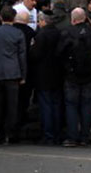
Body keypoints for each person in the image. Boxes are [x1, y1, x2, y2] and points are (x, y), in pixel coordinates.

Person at [57, 7, 91, 146]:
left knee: (71, 105)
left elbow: (59, 52)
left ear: (73, 19)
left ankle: (72, 136)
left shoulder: (67, 33)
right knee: (86, 105)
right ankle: (84, 136)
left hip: (72, 74)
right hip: (90, 74)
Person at [0, 4, 27, 145]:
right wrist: (23, 75)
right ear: (14, 18)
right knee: (12, 106)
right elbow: (22, 56)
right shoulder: (18, 34)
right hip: (13, 73)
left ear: (1, 17)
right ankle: (10, 133)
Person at [31, 9, 65, 144]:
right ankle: (56, 133)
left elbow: (35, 55)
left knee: (46, 105)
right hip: (57, 74)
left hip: (43, 75)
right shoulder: (58, 33)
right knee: (56, 104)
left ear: (43, 21)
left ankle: (48, 134)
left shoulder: (41, 35)